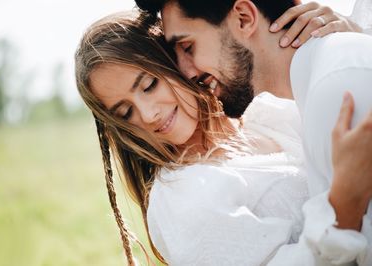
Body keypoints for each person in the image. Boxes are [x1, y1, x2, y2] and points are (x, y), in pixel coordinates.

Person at [74, 6, 372, 266]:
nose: (148, 114)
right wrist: (343, 208)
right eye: (125, 112)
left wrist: (343, 40)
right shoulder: (185, 199)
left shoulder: (262, 114)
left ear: (176, 62)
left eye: (150, 85)